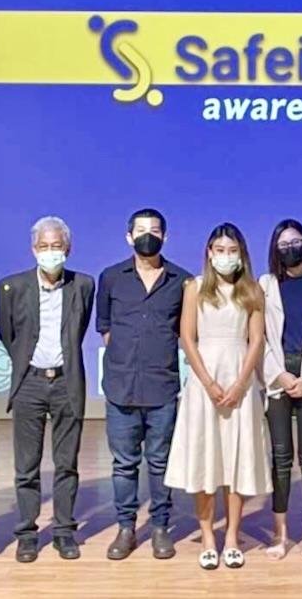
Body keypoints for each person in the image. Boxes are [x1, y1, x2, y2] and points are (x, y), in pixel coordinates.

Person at [165, 223, 272, 570]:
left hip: (240, 383)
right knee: (206, 459)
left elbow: (256, 340)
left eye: (232, 251)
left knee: (237, 461)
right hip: (204, 384)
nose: (226, 256)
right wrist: (208, 383)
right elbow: (187, 337)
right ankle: (208, 537)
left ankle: (232, 538)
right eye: (220, 250)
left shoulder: (252, 290)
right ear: (209, 253)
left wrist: (241, 384)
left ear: (242, 254)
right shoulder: (194, 287)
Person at [0, 216, 95, 562]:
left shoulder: (83, 285)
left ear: (68, 249)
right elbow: (9, 336)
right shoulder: (12, 287)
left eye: (56, 246)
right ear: (33, 249)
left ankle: (64, 531)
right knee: (27, 466)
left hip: (67, 382)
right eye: (43, 246)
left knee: (67, 464)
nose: (50, 252)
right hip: (29, 383)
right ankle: (27, 533)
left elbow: (79, 329)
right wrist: (30, 366)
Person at [97, 208, 191, 561]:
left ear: (165, 237)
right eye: (140, 230)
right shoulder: (111, 278)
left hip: (162, 387)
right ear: (128, 237)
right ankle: (126, 528)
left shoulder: (183, 281)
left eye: (154, 230)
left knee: (160, 462)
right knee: (124, 464)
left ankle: (161, 527)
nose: (147, 236)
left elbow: (185, 332)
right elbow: (105, 328)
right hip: (120, 387)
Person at [258, 220, 302, 560]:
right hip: (278, 378)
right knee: (280, 458)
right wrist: (279, 375)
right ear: (275, 249)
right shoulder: (266, 284)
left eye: (296, 241)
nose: (290, 248)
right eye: (283, 244)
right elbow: (258, 338)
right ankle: (280, 533)